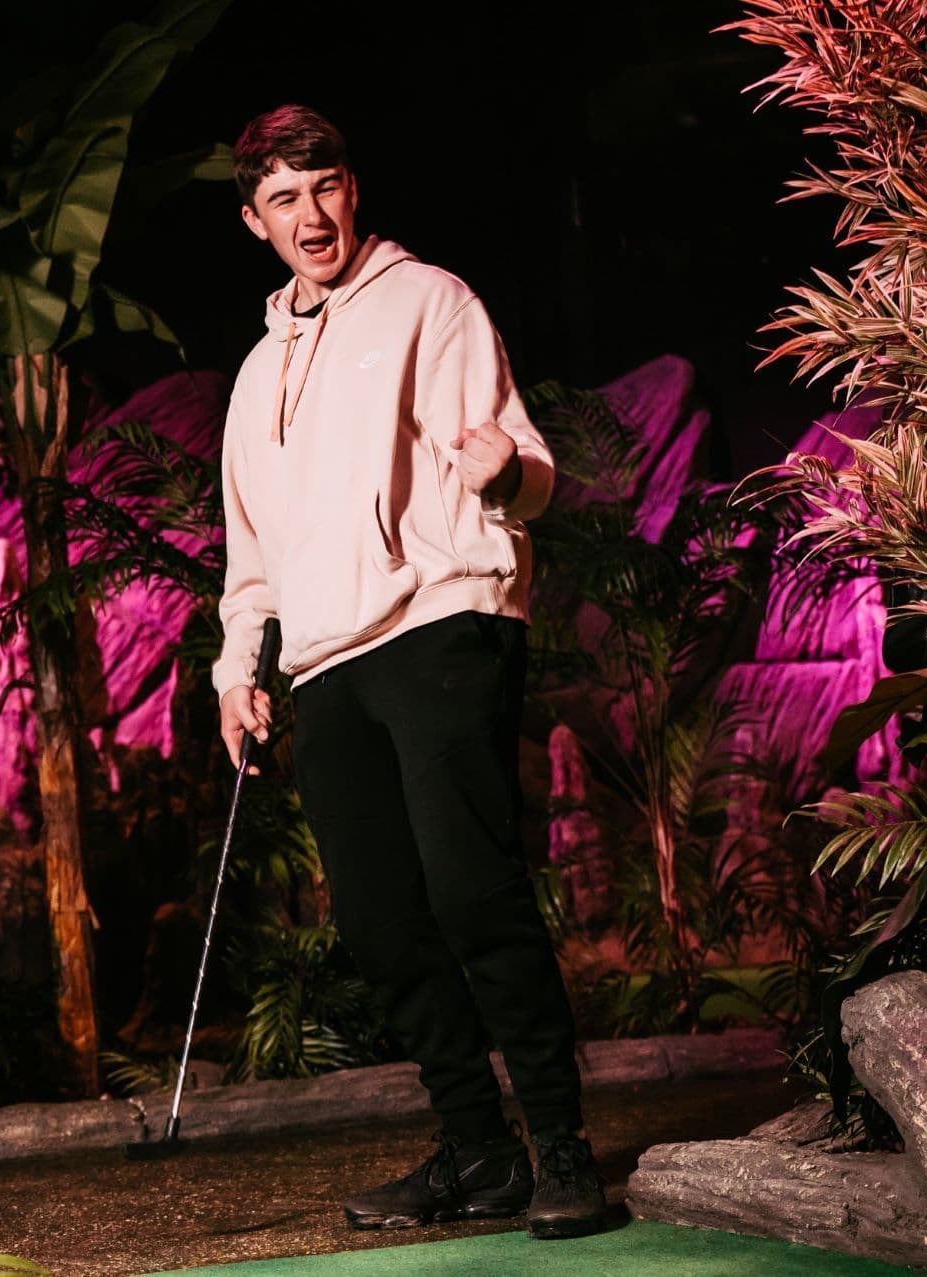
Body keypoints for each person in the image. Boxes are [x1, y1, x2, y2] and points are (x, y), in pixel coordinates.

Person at [213, 106, 606, 1239]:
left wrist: (510, 474)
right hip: (324, 661)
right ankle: (481, 1153)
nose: (311, 213)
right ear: (256, 222)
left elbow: (520, 461)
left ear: (352, 189)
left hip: (441, 620)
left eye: (325, 185)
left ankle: (562, 1147)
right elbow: (254, 553)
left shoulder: (431, 300)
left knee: (473, 893)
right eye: (284, 198)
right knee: (383, 925)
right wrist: (241, 667)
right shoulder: (252, 377)